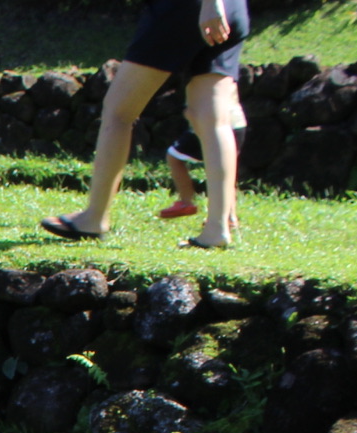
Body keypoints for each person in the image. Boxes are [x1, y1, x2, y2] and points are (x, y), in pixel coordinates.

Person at [42, 0, 246, 250]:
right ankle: (218, 228)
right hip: (233, 7)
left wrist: (211, 5)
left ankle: (94, 218)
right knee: (211, 118)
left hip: (187, 9)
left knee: (118, 111)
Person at [158, 83, 245, 228]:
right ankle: (230, 217)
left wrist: (191, 117)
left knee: (174, 157)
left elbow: (197, 105)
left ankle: (186, 202)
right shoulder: (226, 73)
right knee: (224, 169)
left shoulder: (199, 73)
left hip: (212, 124)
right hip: (238, 123)